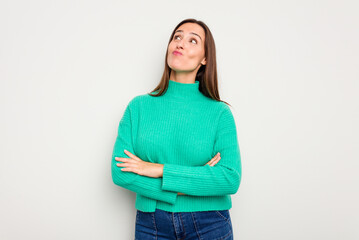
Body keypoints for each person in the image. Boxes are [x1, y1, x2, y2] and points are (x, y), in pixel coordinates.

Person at [111, 18, 242, 240]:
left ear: (205, 59)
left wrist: (158, 169)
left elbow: (229, 179)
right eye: (177, 37)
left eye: (193, 40)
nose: (180, 43)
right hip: (151, 222)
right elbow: (120, 173)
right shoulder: (139, 107)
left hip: (209, 222)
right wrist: (195, 181)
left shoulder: (220, 113)